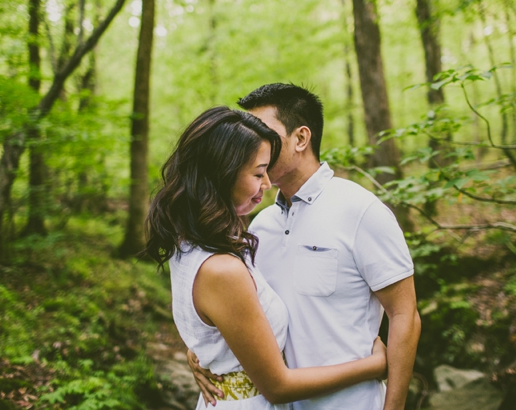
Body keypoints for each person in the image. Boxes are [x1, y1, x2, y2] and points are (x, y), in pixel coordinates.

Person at [189, 85, 421, 410]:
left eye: (265, 134)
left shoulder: (360, 211)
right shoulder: (259, 226)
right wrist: (201, 350)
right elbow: (239, 312)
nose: (252, 145)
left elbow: (404, 316)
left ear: (301, 138)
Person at [145, 106, 388, 410]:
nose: (267, 184)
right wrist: (375, 365)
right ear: (222, 173)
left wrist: (203, 352)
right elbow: (278, 387)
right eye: (259, 173)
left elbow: (213, 326)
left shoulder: (191, 243)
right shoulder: (222, 269)